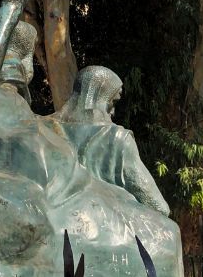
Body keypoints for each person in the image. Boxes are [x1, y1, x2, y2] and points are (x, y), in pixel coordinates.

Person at [49, 66, 170, 216]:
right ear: (96, 96)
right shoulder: (117, 139)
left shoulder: (40, 128)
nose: (113, 111)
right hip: (101, 225)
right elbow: (157, 206)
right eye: (112, 102)